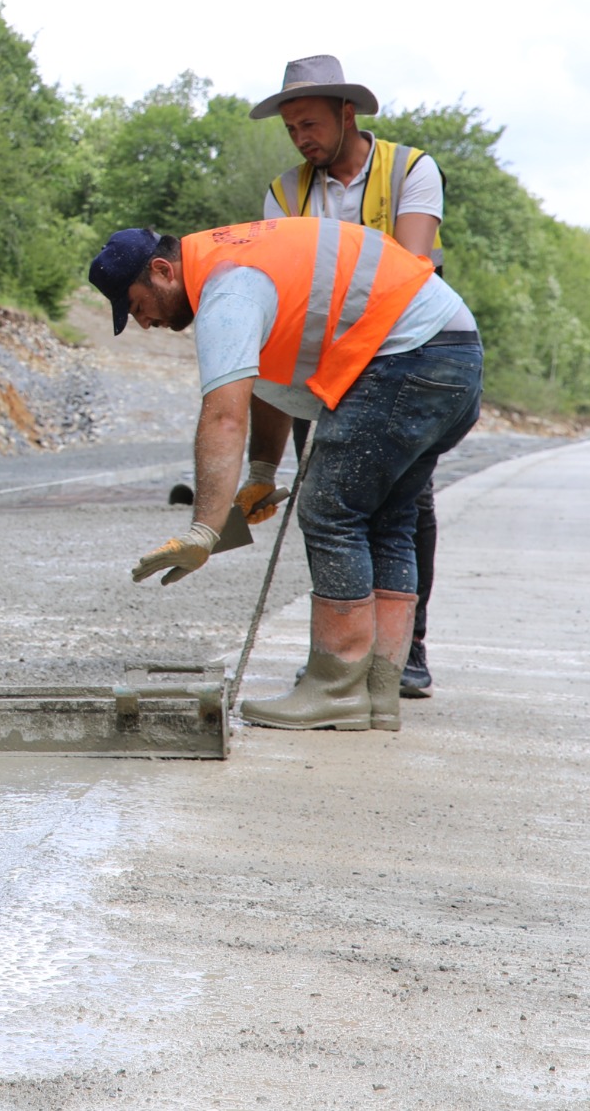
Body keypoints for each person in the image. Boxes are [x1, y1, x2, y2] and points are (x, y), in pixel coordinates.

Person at [88, 219, 481, 732]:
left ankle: (335, 688)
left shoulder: (226, 288)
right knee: (389, 520)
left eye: (139, 305)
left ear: (162, 271)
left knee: (330, 511)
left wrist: (203, 530)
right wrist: (261, 472)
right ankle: (376, 692)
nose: (143, 322)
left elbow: (224, 415)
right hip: (453, 353)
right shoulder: (241, 260)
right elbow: (265, 381)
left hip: (407, 355)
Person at [252, 53, 447, 699]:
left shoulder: (411, 170)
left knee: (404, 504)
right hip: (324, 370)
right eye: (291, 130)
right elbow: (281, 289)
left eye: (309, 124)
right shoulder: (284, 194)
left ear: (346, 113)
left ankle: (405, 653)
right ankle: (343, 655)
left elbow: (413, 266)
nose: (302, 139)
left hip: (404, 360)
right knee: (328, 506)